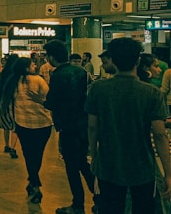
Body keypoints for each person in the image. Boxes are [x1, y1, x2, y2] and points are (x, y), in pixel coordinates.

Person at [86, 37, 171, 214]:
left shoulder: (97, 89)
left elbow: (93, 127)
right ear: (138, 60)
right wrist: (168, 173)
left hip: (108, 165)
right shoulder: (152, 93)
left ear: (113, 61)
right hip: (142, 167)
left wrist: (94, 156)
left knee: (110, 208)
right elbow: (160, 135)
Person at [41, 40, 97, 214]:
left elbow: (51, 102)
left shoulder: (58, 74)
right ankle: (100, 198)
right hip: (82, 125)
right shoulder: (81, 71)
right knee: (83, 164)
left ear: (51, 56)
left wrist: (41, 101)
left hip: (67, 126)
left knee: (72, 167)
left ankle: (78, 204)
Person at [1, 57, 51, 204]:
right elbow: (49, 98)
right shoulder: (39, 80)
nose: (35, 65)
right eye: (32, 64)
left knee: (29, 154)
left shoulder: (12, 82)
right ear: (26, 67)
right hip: (43, 124)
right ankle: (34, 183)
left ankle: (34, 182)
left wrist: (11, 123)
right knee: (38, 154)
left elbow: (7, 104)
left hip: (23, 125)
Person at [0, 54, 19, 159]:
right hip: (14, 101)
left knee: (6, 125)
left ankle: (7, 145)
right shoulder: (17, 74)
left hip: (3, 101)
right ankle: (13, 147)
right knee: (15, 125)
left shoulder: (4, 72)